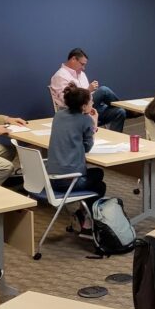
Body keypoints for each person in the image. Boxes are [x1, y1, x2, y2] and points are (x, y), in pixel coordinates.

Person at [48, 84, 106, 232]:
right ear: (84, 105)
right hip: (69, 180)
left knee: (96, 174)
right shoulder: (85, 120)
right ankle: (85, 219)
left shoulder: (59, 115)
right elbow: (87, 147)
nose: (93, 103)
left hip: (50, 178)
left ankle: (82, 213)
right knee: (99, 182)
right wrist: (94, 121)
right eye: (91, 101)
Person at [49, 48, 126, 132]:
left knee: (120, 111)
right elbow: (66, 101)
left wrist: (91, 92)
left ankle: (114, 140)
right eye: (82, 64)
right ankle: (129, 111)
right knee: (104, 90)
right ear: (73, 59)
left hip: (89, 108)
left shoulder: (81, 74)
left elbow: (90, 97)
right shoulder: (60, 76)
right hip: (75, 110)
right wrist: (88, 90)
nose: (83, 68)